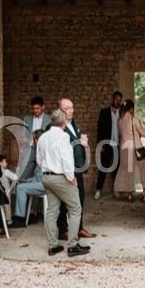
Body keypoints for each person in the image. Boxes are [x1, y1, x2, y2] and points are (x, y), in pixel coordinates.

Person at [37, 108, 91, 258]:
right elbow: (67, 159)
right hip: (61, 177)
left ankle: (53, 246)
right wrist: (71, 177)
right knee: (75, 208)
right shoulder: (64, 137)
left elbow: (39, 160)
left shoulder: (43, 137)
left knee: (52, 210)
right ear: (64, 123)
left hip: (46, 177)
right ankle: (72, 245)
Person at [55, 97, 95, 241]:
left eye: (72, 108)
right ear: (59, 110)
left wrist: (82, 144)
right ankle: (63, 230)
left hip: (77, 168)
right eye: (67, 109)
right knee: (64, 201)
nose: (71, 111)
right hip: (66, 169)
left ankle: (79, 228)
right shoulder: (56, 127)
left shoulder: (72, 123)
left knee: (80, 198)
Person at [113, 100, 145, 202]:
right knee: (143, 170)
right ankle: (144, 194)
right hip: (136, 148)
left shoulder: (120, 121)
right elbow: (143, 133)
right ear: (131, 109)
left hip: (124, 149)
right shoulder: (134, 119)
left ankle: (129, 195)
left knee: (128, 171)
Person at [94, 91, 123, 200]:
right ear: (112, 99)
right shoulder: (104, 112)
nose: (117, 102)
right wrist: (100, 144)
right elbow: (100, 129)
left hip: (118, 145)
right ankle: (98, 190)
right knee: (103, 168)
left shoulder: (122, 112)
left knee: (116, 169)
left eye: (119, 100)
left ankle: (116, 190)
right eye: (116, 99)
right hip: (106, 144)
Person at [16, 95, 50, 182]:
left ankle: (39, 189)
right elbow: (23, 134)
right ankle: (24, 189)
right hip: (30, 149)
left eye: (37, 108)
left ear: (43, 107)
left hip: (43, 150)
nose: (35, 111)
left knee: (41, 174)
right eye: (33, 108)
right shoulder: (27, 119)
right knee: (25, 172)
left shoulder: (49, 119)